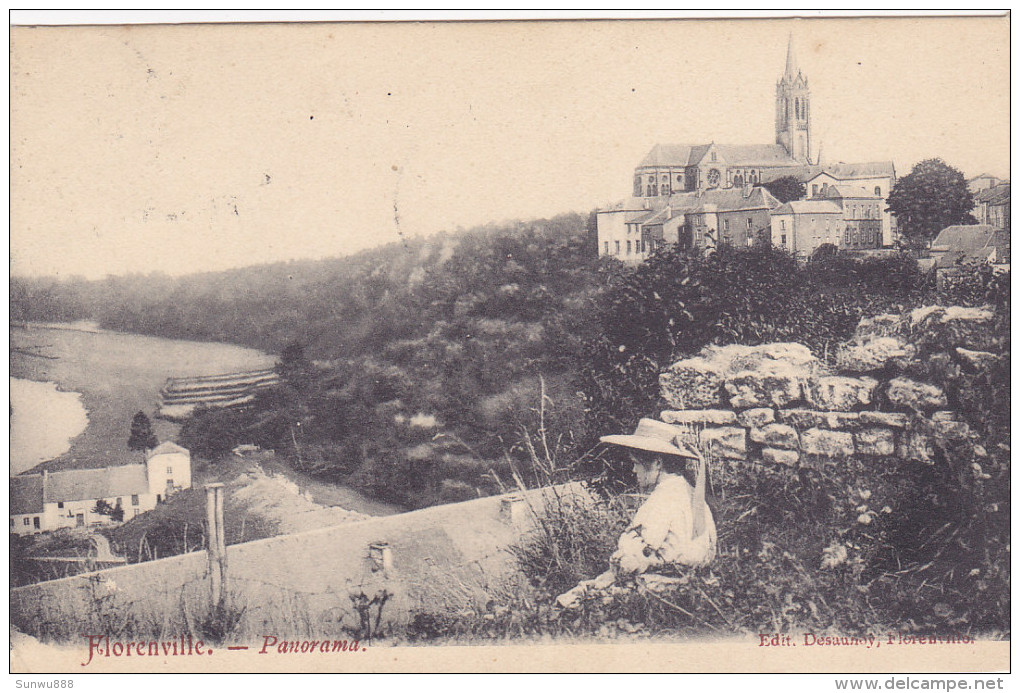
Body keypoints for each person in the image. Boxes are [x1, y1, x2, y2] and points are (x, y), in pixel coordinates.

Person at [556, 418, 717, 608]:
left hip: (665, 590)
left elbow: (630, 561)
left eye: (637, 463)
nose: (633, 470)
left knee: (575, 601)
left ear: (657, 463)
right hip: (696, 585)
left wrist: (621, 561)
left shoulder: (662, 500)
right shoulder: (688, 491)